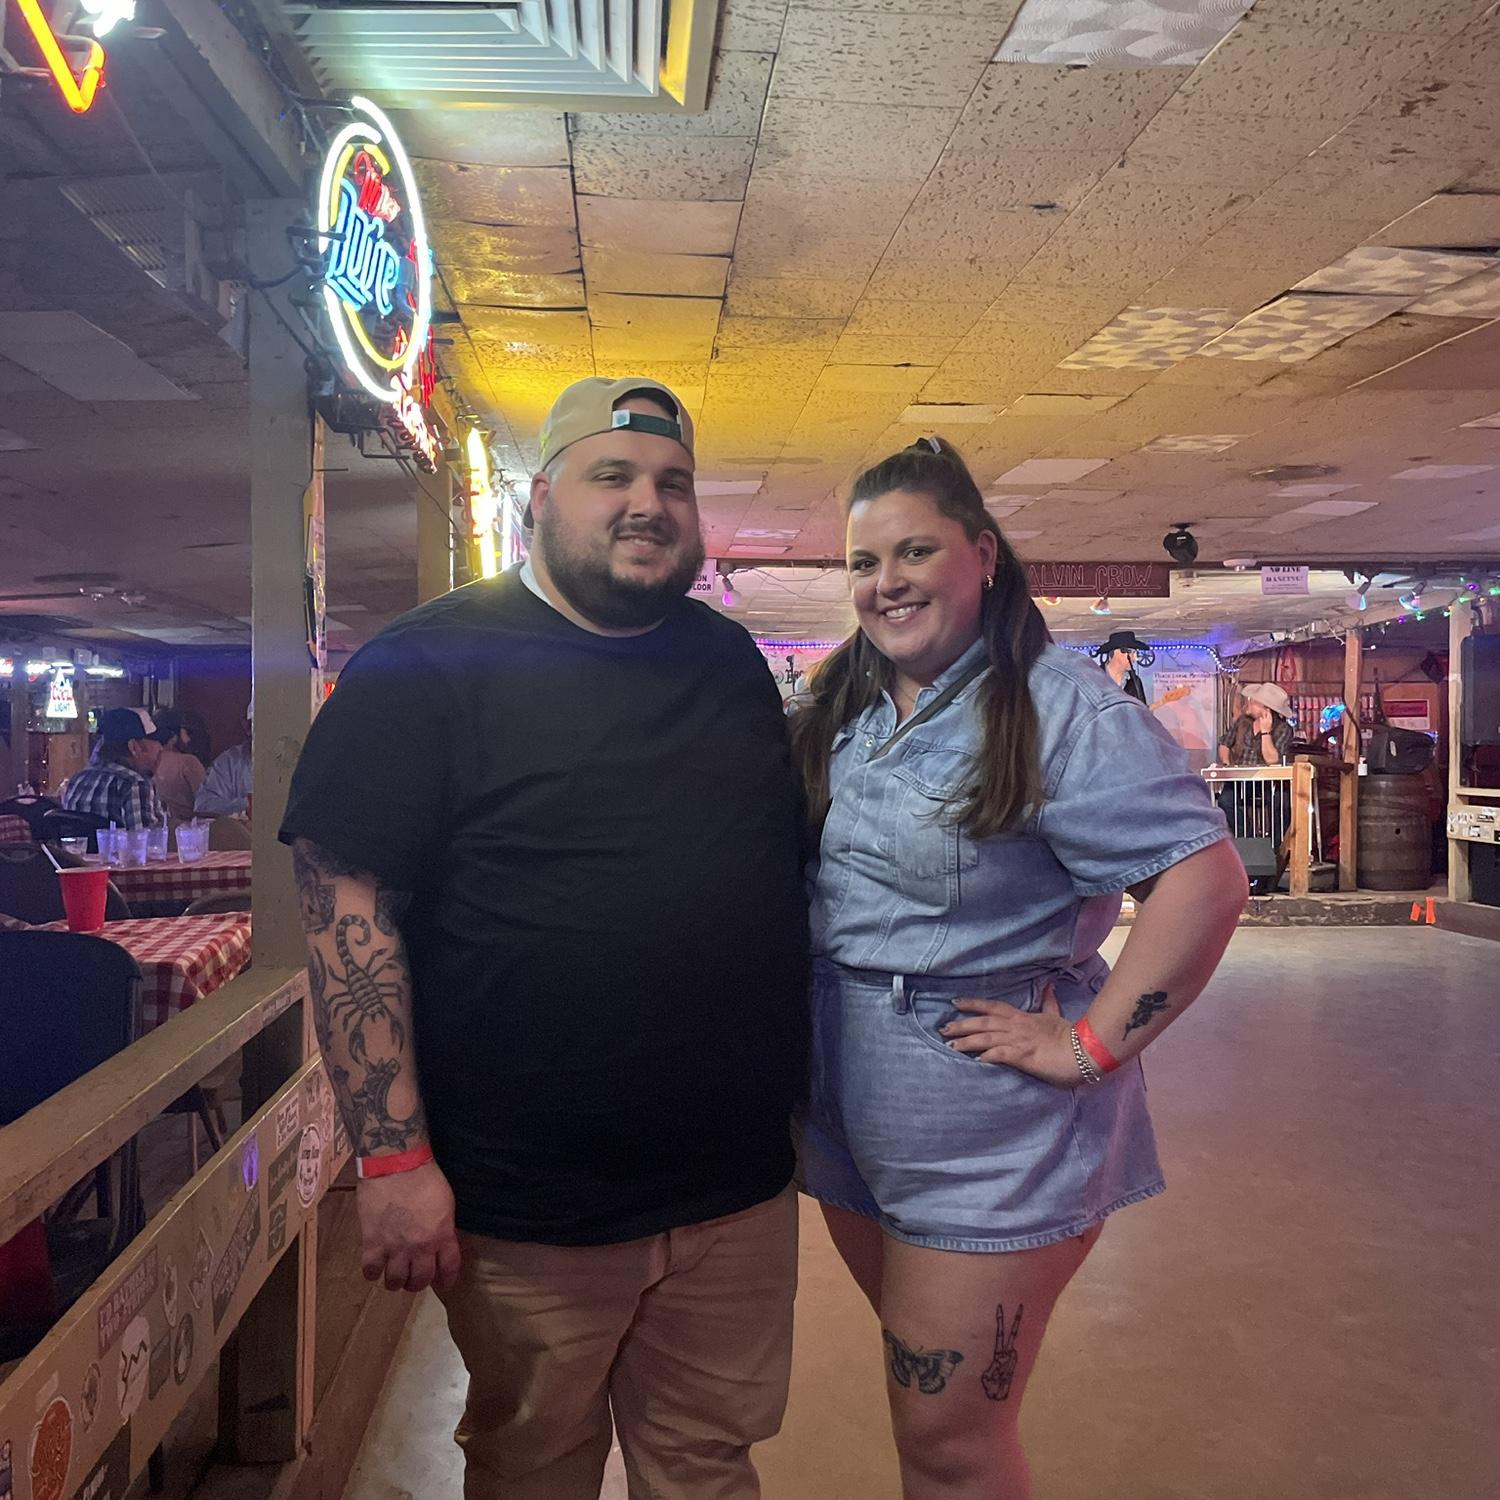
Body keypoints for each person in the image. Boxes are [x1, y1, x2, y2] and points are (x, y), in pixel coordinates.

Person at [278, 376, 809, 1500]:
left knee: (709, 1467)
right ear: (539, 500)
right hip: (528, 1206)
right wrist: (391, 1157)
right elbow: (343, 912)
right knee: (532, 1470)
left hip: (734, 1193)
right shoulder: (424, 666)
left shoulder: (728, 664)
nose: (648, 503)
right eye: (613, 475)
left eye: (673, 482)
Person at [788, 437, 1248, 1499]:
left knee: (950, 1442)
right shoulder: (850, 703)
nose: (887, 581)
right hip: (844, 1109)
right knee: (926, 1412)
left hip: (989, 1135)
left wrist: (1088, 1046)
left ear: (984, 555)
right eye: (864, 562)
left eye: (915, 551)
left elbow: (1204, 883)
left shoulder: (1061, 710)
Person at [62, 706, 164, 829]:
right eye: (156, 740)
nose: (160, 747)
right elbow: (144, 839)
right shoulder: (134, 784)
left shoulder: (78, 779)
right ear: (134, 747)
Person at [1217, 681, 1294, 767]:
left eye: (1254, 701)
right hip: (1240, 774)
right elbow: (1224, 743)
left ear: (1267, 709)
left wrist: (1265, 732)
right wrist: (1226, 764)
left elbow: (1272, 760)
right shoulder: (1243, 722)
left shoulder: (1283, 729)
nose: (1249, 702)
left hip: (1265, 775)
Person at [151, 709, 207, 823]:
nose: (189, 739)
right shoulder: (188, 762)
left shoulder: (147, 763)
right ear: (173, 736)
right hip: (189, 829)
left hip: (159, 827)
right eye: (186, 733)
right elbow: (206, 803)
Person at [194, 710, 251, 817]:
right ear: (247, 727)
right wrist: (247, 804)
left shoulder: (285, 762)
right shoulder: (230, 761)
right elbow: (203, 804)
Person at [1093, 628, 1150, 703]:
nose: (1135, 658)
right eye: (1132, 653)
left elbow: (1141, 708)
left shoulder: (1134, 682)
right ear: (1118, 653)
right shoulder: (1094, 679)